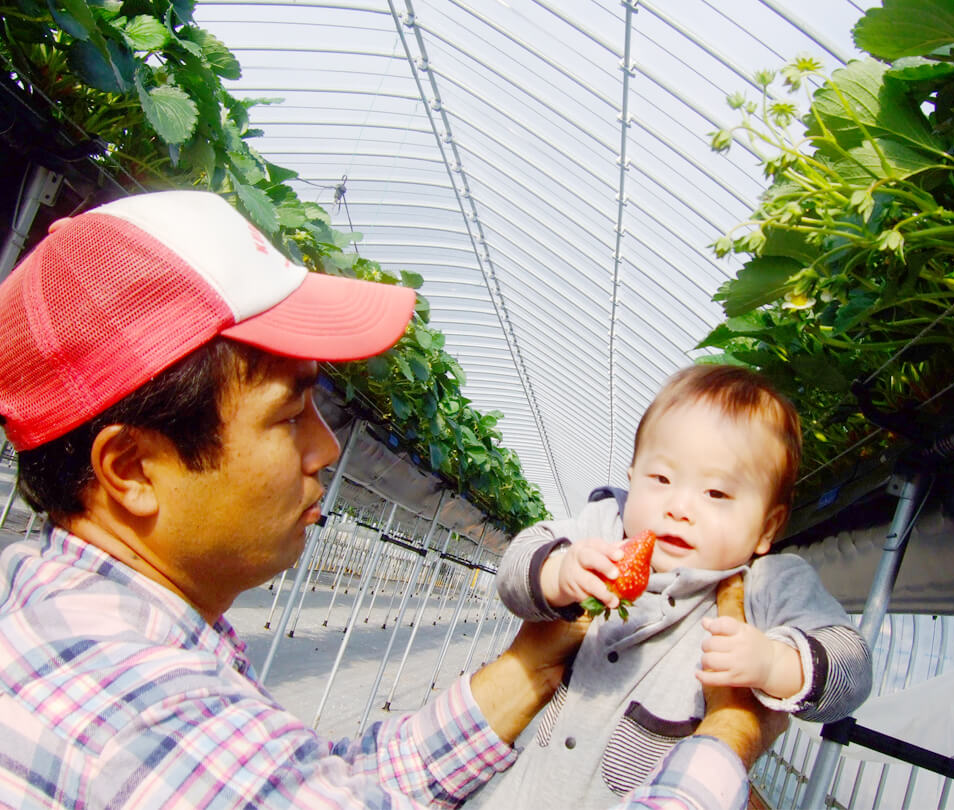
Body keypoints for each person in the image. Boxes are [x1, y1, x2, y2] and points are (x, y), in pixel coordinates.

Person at [0, 190, 782, 810]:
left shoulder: (71, 626)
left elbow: (327, 786)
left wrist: (532, 665)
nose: (327, 449)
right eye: (289, 413)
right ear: (132, 468)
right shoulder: (138, 710)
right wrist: (724, 740)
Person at [472, 364, 873, 809]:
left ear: (767, 528)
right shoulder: (605, 528)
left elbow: (852, 668)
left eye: (717, 494)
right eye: (661, 479)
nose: (679, 506)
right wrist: (559, 573)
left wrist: (776, 663)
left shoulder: (768, 584)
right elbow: (516, 564)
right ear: (631, 477)